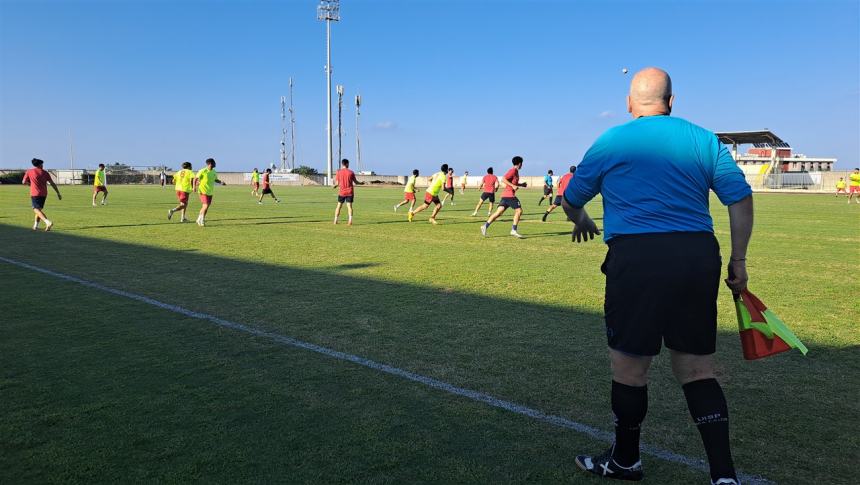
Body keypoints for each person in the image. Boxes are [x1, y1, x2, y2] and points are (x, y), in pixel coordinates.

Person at [562, 67, 753, 485]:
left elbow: (571, 198)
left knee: (630, 369)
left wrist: (581, 218)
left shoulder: (611, 139)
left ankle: (625, 460)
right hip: (697, 256)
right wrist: (739, 261)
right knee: (698, 369)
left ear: (630, 103)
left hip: (639, 257)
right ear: (672, 101)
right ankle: (723, 476)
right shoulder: (704, 139)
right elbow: (738, 198)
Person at [481, 157, 526, 238]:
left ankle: (485, 226)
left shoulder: (516, 172)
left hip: (505, 195)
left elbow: (513, 182)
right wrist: (513, 186)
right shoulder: (513, 170)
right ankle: (513, 230)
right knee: (519, 211)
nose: (522, 165)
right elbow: (503, 179)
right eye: (522, 163)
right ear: (519, 163)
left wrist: (521, 184)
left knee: (498, 213)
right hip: (509, 195)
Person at [22, 158, 62, 231]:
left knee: (36, 209)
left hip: (35, 193)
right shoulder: (45, 173)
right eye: (42, 164)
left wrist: (30, 184)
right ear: (39, 164)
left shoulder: (29, 171)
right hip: (44, 194)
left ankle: (47, 222)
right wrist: (58, 193)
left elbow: (23, 182)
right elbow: (52, 183)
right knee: (39, 210)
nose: (43, 165)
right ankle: (35, 226)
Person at [333, 159, 362, 225]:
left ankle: (335, 220)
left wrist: (334, 186)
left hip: (342, 192)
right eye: (348, 163)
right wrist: (361, 183)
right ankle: (350, 221)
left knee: (338, 206)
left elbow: (337, 183)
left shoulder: (338, 172)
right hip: (349, 192)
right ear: (346, 164)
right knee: (349, 206)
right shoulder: (351, 172)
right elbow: (356, 182)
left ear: (342, 164)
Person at [194, 158, 222, 226]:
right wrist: (194, 187)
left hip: (210, 191)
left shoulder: (214, 172)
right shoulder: (202, 171)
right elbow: (195, 178)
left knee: (205, 207)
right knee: (205, 205)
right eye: (214, 163)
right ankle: (202, 220)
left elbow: (215, 179)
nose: (215, 164)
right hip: (202, 191)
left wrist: (221, 182)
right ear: (210, 164)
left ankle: (198, 219)